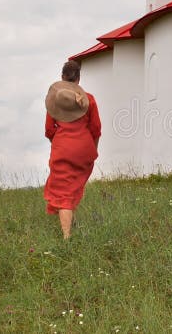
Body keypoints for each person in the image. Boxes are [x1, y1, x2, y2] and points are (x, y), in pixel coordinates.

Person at [43, 60, 101, 239]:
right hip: (84, 149)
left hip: (62, 149)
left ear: (62, 77)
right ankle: (71, 223)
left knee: (63, 194)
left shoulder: (55, 101)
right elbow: (96, 129)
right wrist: (92, 150)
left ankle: (67, 238)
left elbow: (49, 130)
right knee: (72, 188)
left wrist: (61, 143)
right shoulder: (89, 99)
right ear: (79, 78)